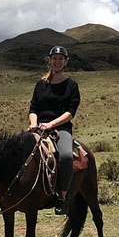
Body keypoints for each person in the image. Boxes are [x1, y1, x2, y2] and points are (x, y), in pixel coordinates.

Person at [28, 46, 81, 215]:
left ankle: (62, 197)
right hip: (38, 127)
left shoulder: (71, 85)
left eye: (61, 59)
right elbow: (33, 108)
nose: (57, 62)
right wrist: (34, 123)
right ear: (49, 61)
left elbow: (70, 113)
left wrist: (51, 124)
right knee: (17, 151)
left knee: (65, 156)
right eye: (54, 58)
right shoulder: (40, 85)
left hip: (61, 128)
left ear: (66, 62)